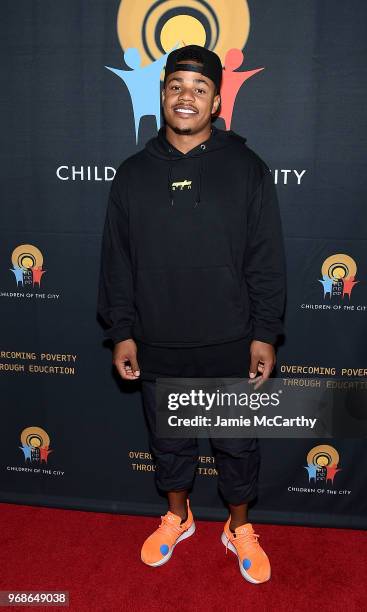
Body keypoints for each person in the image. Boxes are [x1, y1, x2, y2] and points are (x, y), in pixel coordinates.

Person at [97, 44, 286, 585]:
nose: (187, 96)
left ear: (217, 101)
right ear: (162, 94)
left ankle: (238, 527)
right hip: (159, 338)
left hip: (230, 338)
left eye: (199, 88)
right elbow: (117, 261)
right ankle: (178, 518)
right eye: (177, 85)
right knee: (170, 443)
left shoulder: (247, 169)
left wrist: (265, 332)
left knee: (237, 445)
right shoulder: (132, 175)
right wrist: (122, 332)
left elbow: (266, 259)